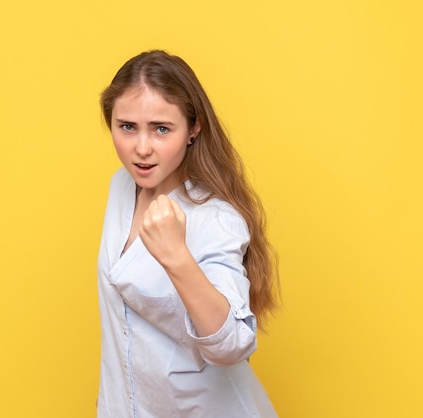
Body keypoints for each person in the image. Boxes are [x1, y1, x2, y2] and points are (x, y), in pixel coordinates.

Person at [96, 50, 280, 417]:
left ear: (193, 129)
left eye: (161, 128)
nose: (142, 149)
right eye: (127, 126)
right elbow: (122, 333)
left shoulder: (215, 218)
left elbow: (232, 345)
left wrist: (176, 256)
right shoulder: (122, 187)